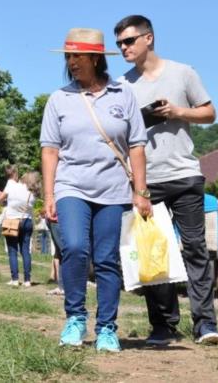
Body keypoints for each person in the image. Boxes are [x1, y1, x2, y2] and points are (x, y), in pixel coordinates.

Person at [114, 14, 218, 346]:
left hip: (186, 174)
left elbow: (209, 113)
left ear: (149, 38)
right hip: (147, 180)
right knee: (152, 253)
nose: (123, 48)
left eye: (128, 41)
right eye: (119, 44)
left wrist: (177, 112)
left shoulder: (183, 72)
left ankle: (205, 324)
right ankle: (163, 325)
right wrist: (142, 118)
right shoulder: (122, 84)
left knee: (195, 249)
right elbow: (118, 133)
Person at [41, 27, 150, 352]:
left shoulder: (123, 95)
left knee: (106, 259)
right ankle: (75, 318)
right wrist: (49, 194)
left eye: (78, 56)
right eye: (68, 56)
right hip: (71, 185)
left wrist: (141, 192)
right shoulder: (59, 98)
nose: (72, 62)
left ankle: (106, 328)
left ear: (96, 58)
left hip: (114, 190)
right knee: (74, 248)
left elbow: (137, 146)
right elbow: (49, 149)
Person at [0, 167, 40, 288]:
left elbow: (0, 199)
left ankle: (15, 279)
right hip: (27, 221)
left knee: (12, 251)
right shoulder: (32, 192)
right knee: (25, 251)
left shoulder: (12, 185)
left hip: (12, 220)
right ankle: (27, 280)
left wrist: (6, 204)